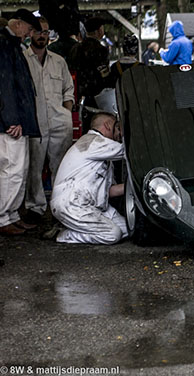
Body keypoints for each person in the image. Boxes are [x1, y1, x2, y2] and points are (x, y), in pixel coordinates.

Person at [23, 16, 74, 225]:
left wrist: (66, 113)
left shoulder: (59, 60)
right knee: (33, 166)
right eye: (38, 31)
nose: (42, 36)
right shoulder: (22, 59)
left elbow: (68, 90)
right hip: (34, 122)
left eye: (45, 32)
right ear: (30, 33)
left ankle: (59, 206)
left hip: (59, 121)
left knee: (60, 166)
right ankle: (35, 208)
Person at [50, 112, 127, 244]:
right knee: (113, 234)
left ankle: (79, 227)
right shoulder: (92, 142)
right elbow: (128, 151)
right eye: (118, 128)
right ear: (108, 125)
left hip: (91, 204)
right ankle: (64, 235)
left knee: (127, 229)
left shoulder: (104, 153)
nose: (120, 135)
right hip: (71, 204)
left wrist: (134, 187)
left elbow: (108, 191)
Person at [0, 9, 42, 236]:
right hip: (10, 122)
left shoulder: (12, 45)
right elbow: (4, 85)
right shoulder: (4, 44)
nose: (29, 33)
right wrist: (12, 118)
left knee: (19, 170)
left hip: (18, 120)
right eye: (29, 28)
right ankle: (2, 216)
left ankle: (12, 214)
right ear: (18, 24)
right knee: (11, 170)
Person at [68, 17, 111, 133]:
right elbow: (105, 77)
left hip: (76, 96)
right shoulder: (101, 50)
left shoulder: (75, 49)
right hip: (97, 99)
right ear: (99, 31)